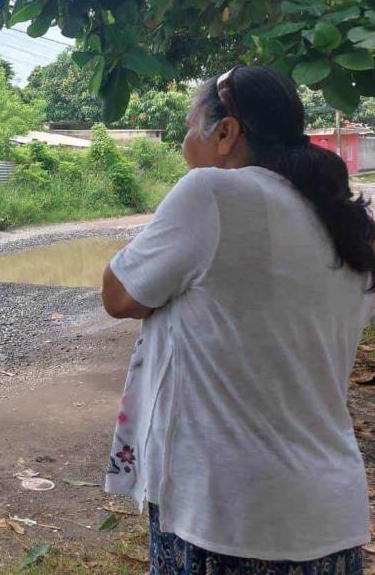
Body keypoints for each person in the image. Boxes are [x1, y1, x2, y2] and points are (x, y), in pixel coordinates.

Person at [101, 66, 375, 573]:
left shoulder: (212, 194)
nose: (185, 142)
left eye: (190, 126)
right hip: (332, 516)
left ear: (226, 133)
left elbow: (118, 295)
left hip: (229, 518)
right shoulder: (343, 222)